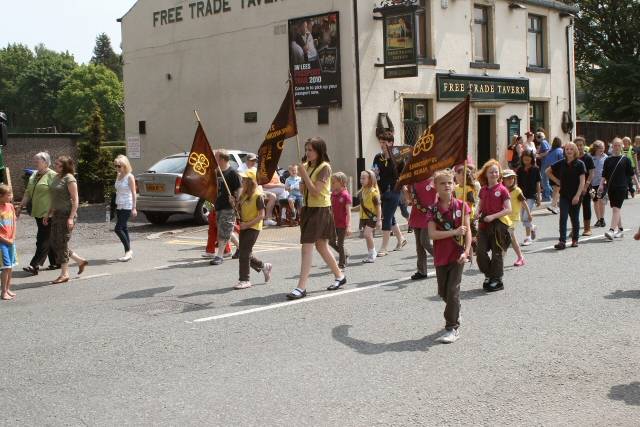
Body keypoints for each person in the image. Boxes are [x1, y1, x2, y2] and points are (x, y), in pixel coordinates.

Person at [287, 137, 346, 299]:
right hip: (307, 209)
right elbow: (302, 189)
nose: (307, 153)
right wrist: (301, 179)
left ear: (319, 151)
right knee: (321, 246)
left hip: (320, 210)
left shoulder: (325, 167)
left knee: (307, 247)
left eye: (310, 150)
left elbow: (315, 191)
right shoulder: (305, 166)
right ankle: (340, 276)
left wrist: (304, 175)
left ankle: (301, 287)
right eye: (306, 149)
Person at [426, 169, 471, 344]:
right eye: (442, 183)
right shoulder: (432, 209)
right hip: (441, 255)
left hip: (457, 254)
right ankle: (456, 309)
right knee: (443, 292)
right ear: (436, 187)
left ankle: (452, 327)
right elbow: (432, 234)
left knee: (453, 291)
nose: (446, 186)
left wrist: (466, 252)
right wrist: (453, 231)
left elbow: (467, 232)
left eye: (449, 182)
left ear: (454, 185)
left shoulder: (462, 205)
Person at [44, 156, 88, 284]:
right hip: (57, 214)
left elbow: (75, 200)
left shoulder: (70, 178)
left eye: (57, 164)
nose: (55, 166)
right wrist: (48, 213)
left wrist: (71, 218)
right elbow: (54, 198)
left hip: (66, 214)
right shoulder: (56, 177)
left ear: (64, 166)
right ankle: (80, 261)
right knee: (54, 242)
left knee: (61, 243)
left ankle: (64, 274)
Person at [17, 152, 57, 275]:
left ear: (46, 162)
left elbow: (57, 196)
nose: (35, 164)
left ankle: (35, 265)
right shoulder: (34, 175)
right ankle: (57, 261)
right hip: (38, 211)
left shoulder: (53, 175)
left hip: (48, 213)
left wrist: (50, 212)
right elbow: (28, 192)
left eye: (37, 161)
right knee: (47, 237)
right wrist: (20, 206)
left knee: (42, 238)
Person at [475, 159, 512, 292]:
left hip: (498, 225)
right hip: (483, 225)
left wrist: (493, 216)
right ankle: (488, 274)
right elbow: (480, 204)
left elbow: (508, 209)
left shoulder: (502, 190)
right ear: (486, 174)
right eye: (491, 172)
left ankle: (497, 279)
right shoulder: (483, 190)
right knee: (480, 251)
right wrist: (477, 212)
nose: (494, 174)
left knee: (497, 253)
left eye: (496, 172)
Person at [234, 170, 272, 289]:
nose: (242, 181)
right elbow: (238, 211)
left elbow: (261, 216)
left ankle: (245, 280)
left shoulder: (258, 196)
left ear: (250, 182)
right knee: (245, 252)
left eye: (245, 179)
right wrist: (233, 203)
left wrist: (248, 224)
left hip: (253, 227)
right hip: (244, 226)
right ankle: (263, 266)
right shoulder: (244, 194)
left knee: (244, 253)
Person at [372, 131, 406, 256]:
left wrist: (402, 185)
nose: (382, 145)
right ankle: (401, 239)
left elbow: (404, 174)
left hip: (394, 191)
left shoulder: (398, 157)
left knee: (386, 218)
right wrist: (372, 174)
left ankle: (384, 248)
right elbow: (374, 171)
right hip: (381, 191)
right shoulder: (378, 157)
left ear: (391, 143)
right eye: (380, 142)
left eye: (384, 142)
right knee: (391, 217)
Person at [547, 142, 586, 249]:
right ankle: (562, 241)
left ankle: (575, 240)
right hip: (564, 195)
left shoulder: (580, 164)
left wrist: (577, 196)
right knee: (563, 217)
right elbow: (547, 171)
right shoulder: (561, 163)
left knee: (574, 218)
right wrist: (557, 181)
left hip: (575, 195)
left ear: (575, 151)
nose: (569, 151)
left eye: (571, 149)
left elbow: (582, 182)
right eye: (567, 149)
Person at [599, 138, 638, 240]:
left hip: (621, 187)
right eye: (614, 145)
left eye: (618, 145)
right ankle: (620, 230)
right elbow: (604, 174)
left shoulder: (626, 160)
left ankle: (611, 230)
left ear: (622, 147)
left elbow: (632, 174)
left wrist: (638, 185)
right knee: (615, 209)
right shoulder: (608, 160)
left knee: (616, 209)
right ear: (612, 146)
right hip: (611, 187)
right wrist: (601, 185)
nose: (616, 147)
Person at [210, 150, 241, 266]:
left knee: (223, 232)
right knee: (226, 230)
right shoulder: (217, 172)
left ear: (222, 160)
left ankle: (219, 256)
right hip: (218, 205)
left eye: (215, 158)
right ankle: (241, 248)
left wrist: (236, 199)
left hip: (229, 207)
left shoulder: (233, 173)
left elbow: (239, 189)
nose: (214, 160)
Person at [406, 176, 436, 280]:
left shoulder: (433, 180)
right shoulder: (413, 181)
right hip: (416, 215)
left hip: (429, 215)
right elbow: (409, 199)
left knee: (425, 242)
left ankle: (443, 260)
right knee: (419, 246)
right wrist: (405, 190)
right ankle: (422, 271)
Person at [502, 169, 530, 266]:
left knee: (507, 237)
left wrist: (529, 214)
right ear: (503, 179)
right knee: (511, 239)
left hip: (513, 218)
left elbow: (524, 203)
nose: (510, 180)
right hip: (504, 218)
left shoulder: (517, 190)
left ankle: (500, 259)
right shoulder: (502, 190)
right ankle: (520, 257)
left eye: (512, 178)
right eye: (507, 178)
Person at [113, 155, 137, 261]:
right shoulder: (118, 175)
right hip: (119, 204)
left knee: (118, 229)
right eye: (116, 166)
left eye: (119, 166)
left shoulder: (130, 177)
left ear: (125, 166)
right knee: (124, 228)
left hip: (127, 205)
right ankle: (128, 251)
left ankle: (128, 251)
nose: (117, 168)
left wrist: (134, 208)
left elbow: (134, 193)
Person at [516, 150, 541, 245]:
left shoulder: (535, 169)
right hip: (521, 196)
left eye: (528, 157)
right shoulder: (520, 169)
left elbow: (538, 184)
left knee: (526, 217)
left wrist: (539, 197)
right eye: (524, 157)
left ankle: (528, 238)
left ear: (532, 158)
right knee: (522, 218)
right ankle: (533, 227)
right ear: (522, 158)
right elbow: (517, 184)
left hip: (531, 196)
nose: (526, 159)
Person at [357, 170, 382, 263]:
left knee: (367, 234)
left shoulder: (374, 192)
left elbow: (378, 207)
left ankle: (373, 252)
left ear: (370, 179)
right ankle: (370, 254)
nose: (361, 180)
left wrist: (379, 220)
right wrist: (350, 209)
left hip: (372, 217)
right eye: (361, 178)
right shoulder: (362, 191)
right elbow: (362, 206)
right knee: (368, 236)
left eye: (364, 178)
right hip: (363, 218)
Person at [329, 172, 352, 269]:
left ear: (341, 182)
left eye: (334, 182)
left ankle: (342, 263)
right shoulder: (333, 194)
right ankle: (345, 254)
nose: (332, 184)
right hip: (334, 223)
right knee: (331, 242)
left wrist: (349, 226)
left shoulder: (345, 195)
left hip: (342, 224)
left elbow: (348, 212)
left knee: (340, 243)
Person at [574, 137, 595, 236]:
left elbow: (591, 173)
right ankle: (575, 229)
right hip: (574, 186)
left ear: (584, 146)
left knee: (586, 206)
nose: (579, 147)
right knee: (574, 208)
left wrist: (586, 186)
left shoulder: (588, 158)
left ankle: (587, 228)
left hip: (586, 186)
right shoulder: (572, 158)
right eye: (577, 145)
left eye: (581, 145)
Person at [0, 184, 17, 300]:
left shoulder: (10, 206)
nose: (11, 196)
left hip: (11, 241)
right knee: (6, 267)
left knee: (10, 266)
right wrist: (6, 240)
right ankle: (3, 292)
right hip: (2, 242)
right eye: (8, 194)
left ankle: (8, 288)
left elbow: (14, 222)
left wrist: (13, 237)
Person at [543, 137, 564, 214]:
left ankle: (554, 206)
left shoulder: (550, 151)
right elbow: (562, 162)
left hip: (551, 171)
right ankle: (552, 205)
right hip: (558, 172)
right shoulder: (560, 151)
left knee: (555, 189)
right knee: (558, 189)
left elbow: (546, 162)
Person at [590, 140, 608, 228]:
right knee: (595, 201)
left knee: (602, 201)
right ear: (595, 148)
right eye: (600, 147)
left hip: (602, 183)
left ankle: (602, 219)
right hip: (592, 184)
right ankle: (598, 219)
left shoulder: (606, 157)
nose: (602, 149)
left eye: (603, 147)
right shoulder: (590, 157)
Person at [535, 132, 552, 201]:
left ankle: (547, 196)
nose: (536, 138)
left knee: (544, 180)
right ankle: (551, 193)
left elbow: (547, 151)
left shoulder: (543, 142)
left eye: (537, 137)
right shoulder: (545, 142)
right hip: (546, 162)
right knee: (545, 180)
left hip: (545, 163)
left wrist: (539, 155)